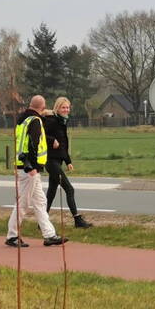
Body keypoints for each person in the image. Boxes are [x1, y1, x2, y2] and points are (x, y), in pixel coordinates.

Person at [6, 95, 67, 247]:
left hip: (24, 166)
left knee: (40, 202)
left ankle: (49, 234)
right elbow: (33, 144)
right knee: (23, 203)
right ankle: (12, 235)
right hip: (29, 169)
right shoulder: (35, 121)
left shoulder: (23, 120)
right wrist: (32, 166)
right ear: (42, 106)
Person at [43, 96, 92, 228]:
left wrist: (68, 161)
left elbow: (63, 144)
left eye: (68, 107)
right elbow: (40, 134)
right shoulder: (51, 120)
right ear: (57, 108)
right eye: (63, 107)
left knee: (51, 192)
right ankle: (77, 220)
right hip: (50, 161)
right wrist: (52, 140)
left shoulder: (62, 122)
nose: (66, 110)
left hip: (57, 161)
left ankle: (42, 221)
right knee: (70, 189)